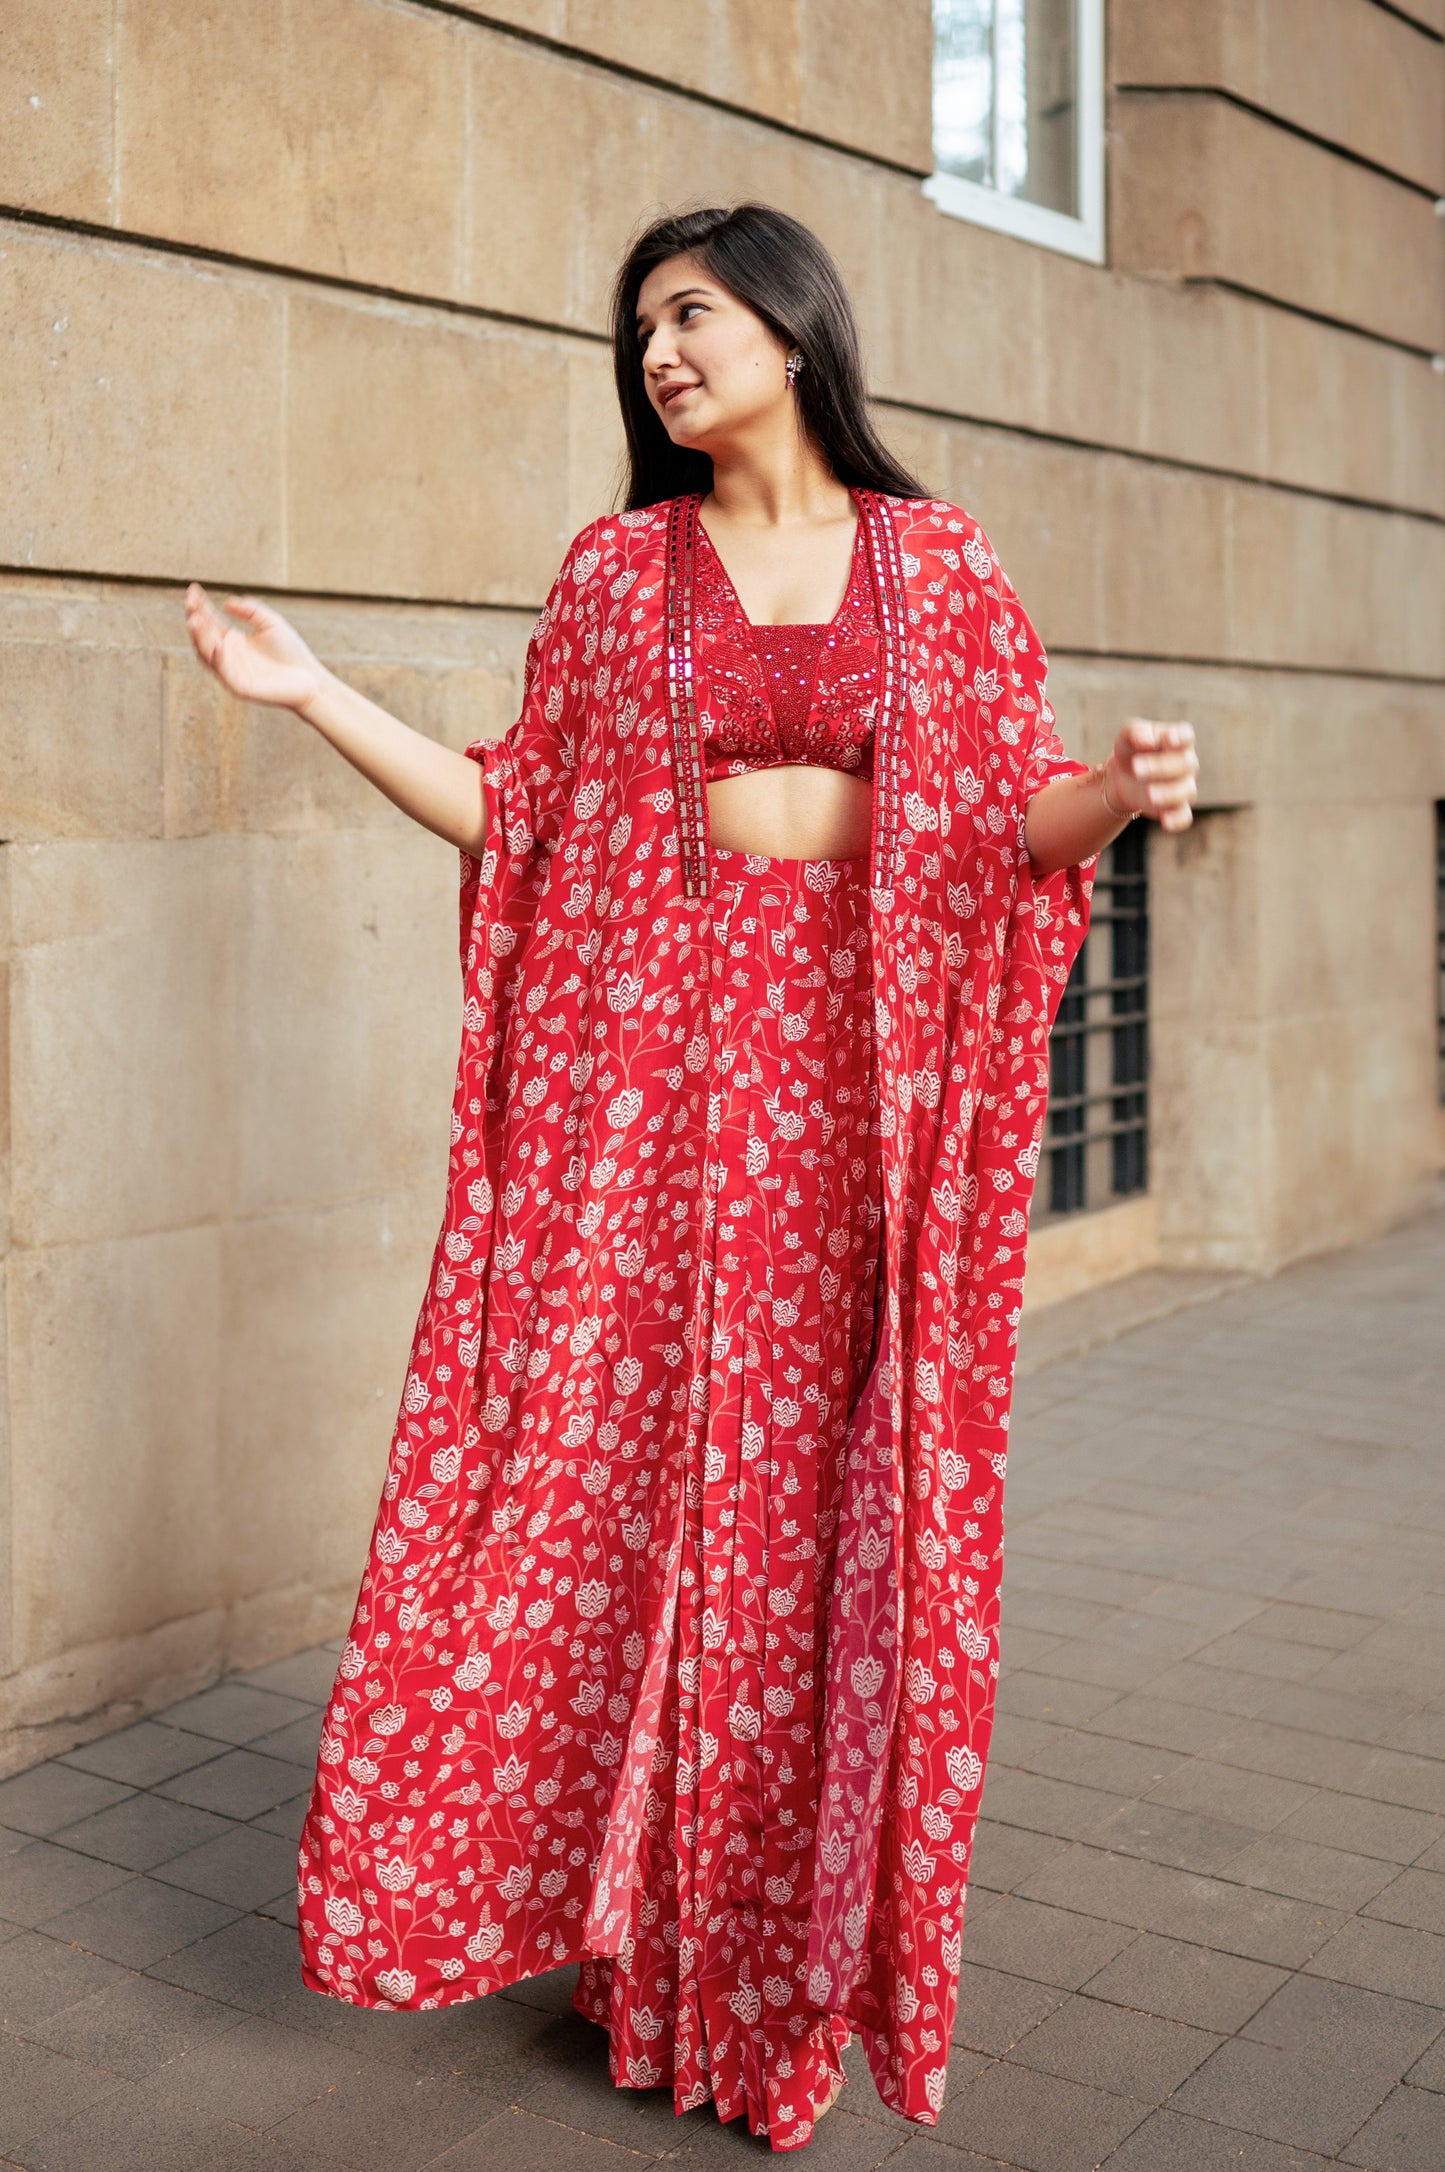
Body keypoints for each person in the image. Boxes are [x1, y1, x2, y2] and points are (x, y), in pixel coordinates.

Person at [184, 200, 1198, 2151]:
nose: (658, 351)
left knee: (811, 1540)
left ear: (798, 331)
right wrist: (312, 696)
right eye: (639, 327)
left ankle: (779, 1991)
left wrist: (1126, 797)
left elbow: (1005, 827)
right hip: (653, 1119)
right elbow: (518, 812)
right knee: (642, 1518)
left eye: (693, 314)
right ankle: (649, 1968)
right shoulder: (618, 574)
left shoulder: (941, 567)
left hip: (851, 1133)